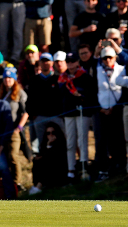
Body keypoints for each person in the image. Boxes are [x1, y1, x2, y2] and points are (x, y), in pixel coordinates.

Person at [59, 52, 97, 181]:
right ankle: (71, 170)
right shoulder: (62, 78)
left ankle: (84, 167)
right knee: (70, 143)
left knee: (82, 141)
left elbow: (91, 93)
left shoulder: (85, 76)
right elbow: (60, 96)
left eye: (72, 61)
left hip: (82, 112)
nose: (70, 64)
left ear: (77, 62)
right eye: (68, 61)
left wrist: (81, 96)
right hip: (69, 113)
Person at [93, 47, 128, 181]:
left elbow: (124, 91)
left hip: (117, 111)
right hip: (101, 111)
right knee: (102, 140)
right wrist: (100, 107)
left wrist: (114, 107)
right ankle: (103, 169)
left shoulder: (121, 69)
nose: (107, 60)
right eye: (105, 58)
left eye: (110, 57)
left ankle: (119, 166)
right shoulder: (97, 70)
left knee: (118, 139)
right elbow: (94, 90)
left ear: (115, 57)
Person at [0, 67, 30, 189]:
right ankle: (9, 182)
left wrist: (19, 127)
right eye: (5, 78)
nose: (7, 80)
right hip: (2, 131)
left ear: (14, 79)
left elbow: (26, 112)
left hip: (13, 130)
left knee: (13, 155)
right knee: (5, 157)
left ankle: (17, 182)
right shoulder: (2, 93)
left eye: (10, 78)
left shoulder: (20, 93)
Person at [28, 123, 68, 195]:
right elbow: (44, 155)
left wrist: (49, 146)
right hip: (47, 173)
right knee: (37, 161)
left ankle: (39, 186)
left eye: (53, 133)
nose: (51, 135)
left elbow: (54, 158)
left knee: (48, 162)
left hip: (59, 171)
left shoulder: (62, 144)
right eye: (48, 133)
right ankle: (37, 185)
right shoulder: (44, 144)